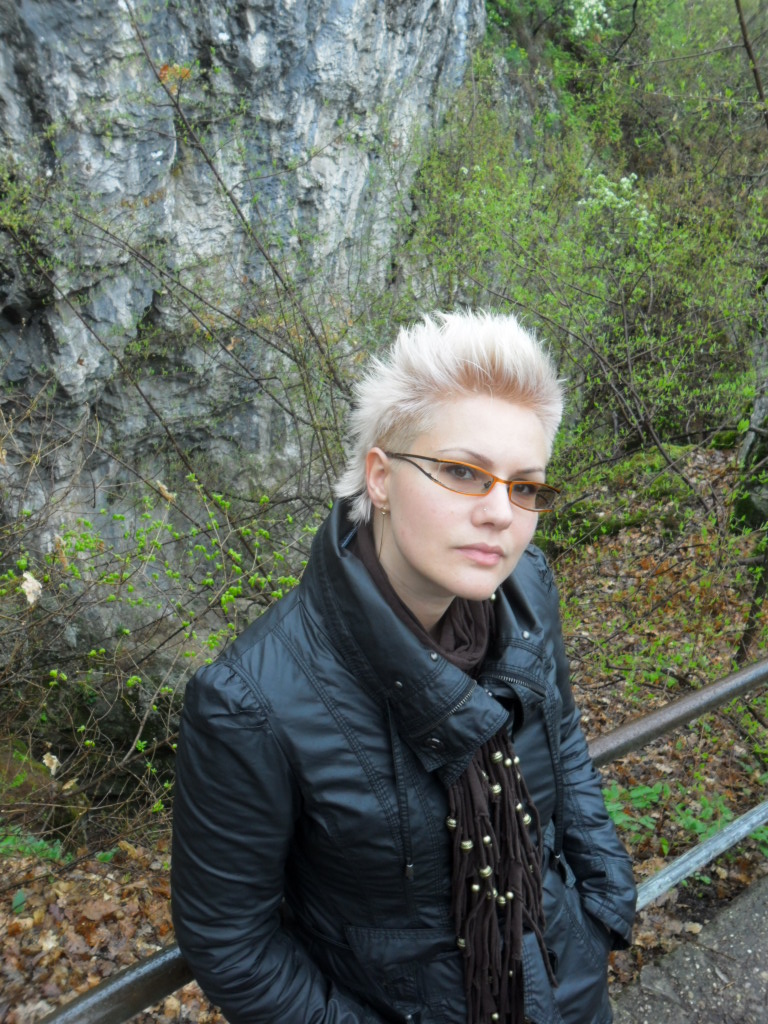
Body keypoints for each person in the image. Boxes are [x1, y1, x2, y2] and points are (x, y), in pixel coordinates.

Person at [171, 310, 637, 1024]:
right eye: (462, 472)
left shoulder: (527, 590)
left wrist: (603, 904)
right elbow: (231, 941)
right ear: (380, 478)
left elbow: (562, 737)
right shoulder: (250, 700)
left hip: (568, 987)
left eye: (525, 486)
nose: (501, 514)